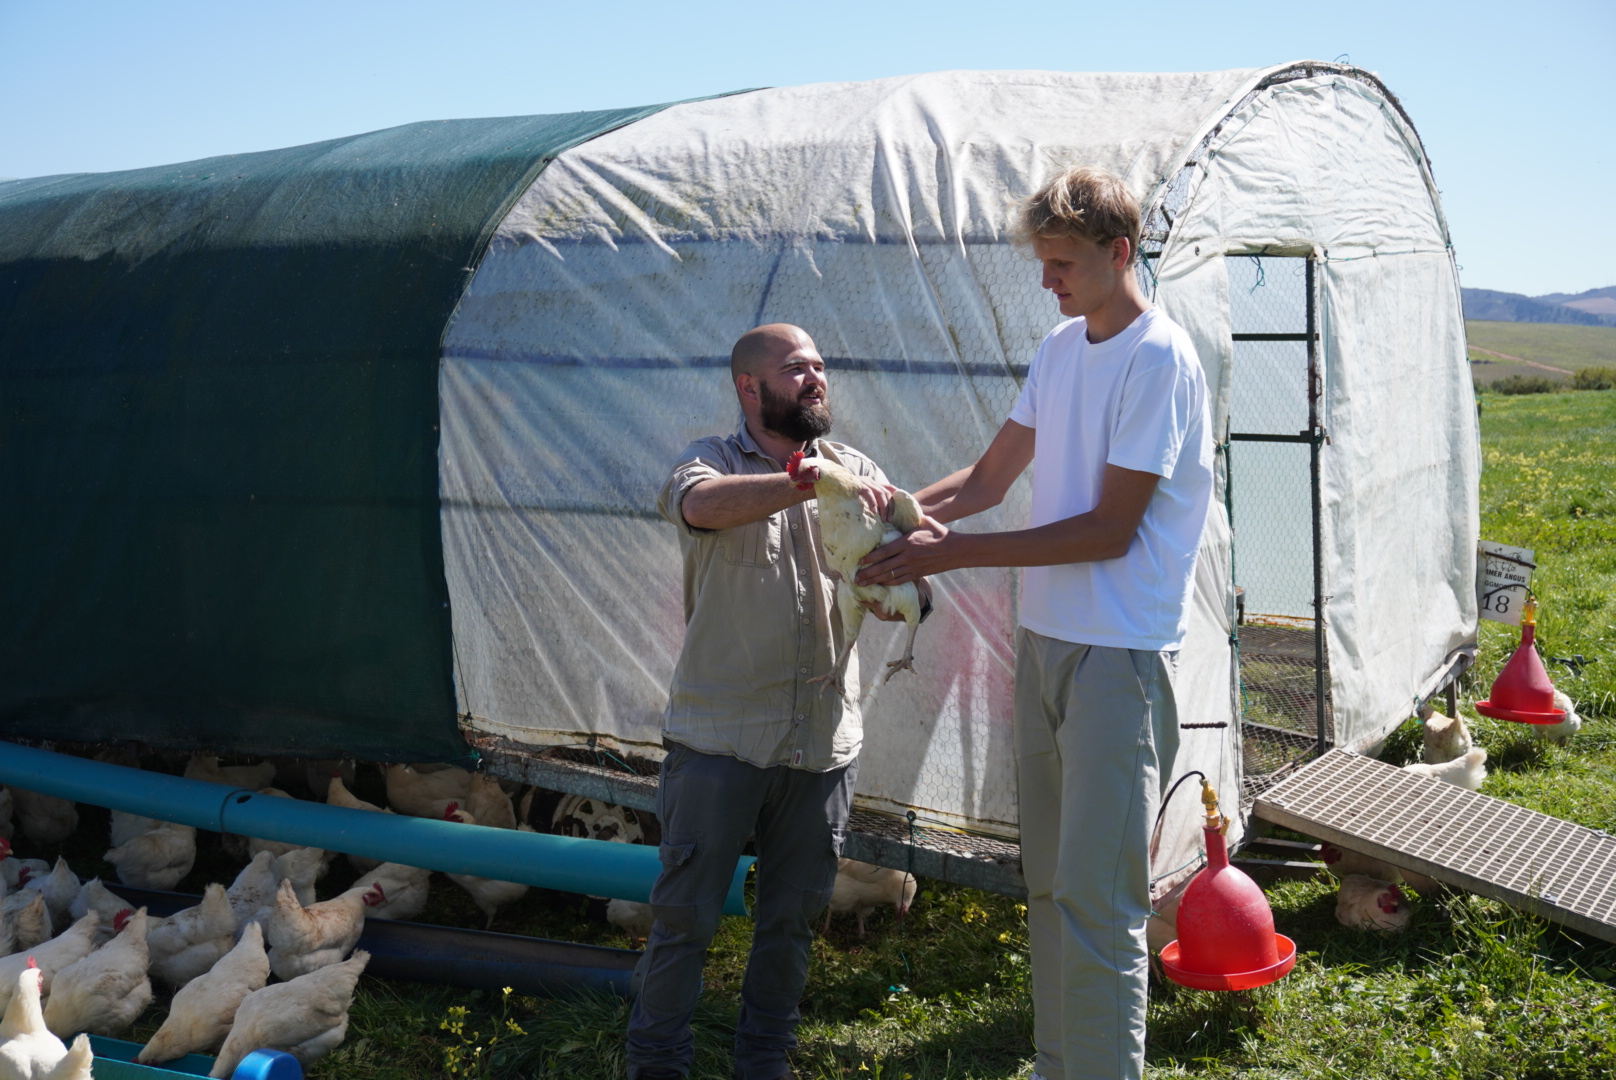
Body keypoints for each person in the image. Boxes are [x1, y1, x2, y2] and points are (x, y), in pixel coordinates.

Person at [857, 166, 1213, 1080]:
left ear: (1117, 252)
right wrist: (889, 512)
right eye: (1044, 263)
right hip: (1048, 644)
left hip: (1120, 661)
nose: (1047, 281)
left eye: (1060, 263)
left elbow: (1108, 529)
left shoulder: (1158, 359)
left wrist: (946, 556)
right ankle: (1066, 1065)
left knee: (1099, 900)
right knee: (1051, 886)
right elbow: (983, 483)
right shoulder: (1061, 350)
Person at [629, 323, 927, 1080]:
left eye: (821, 366)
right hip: (720, 740)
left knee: (792, 923)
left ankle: (763, 1063)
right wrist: (803, 482)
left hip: (823, 742)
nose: (816, 379)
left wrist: (903, 591)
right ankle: (656, 1063)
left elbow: (906, 563)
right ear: (749, 388)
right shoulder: (710, 462)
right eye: (796, 369)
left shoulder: (857, 468)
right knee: (683, 921)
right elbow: (697, 506)